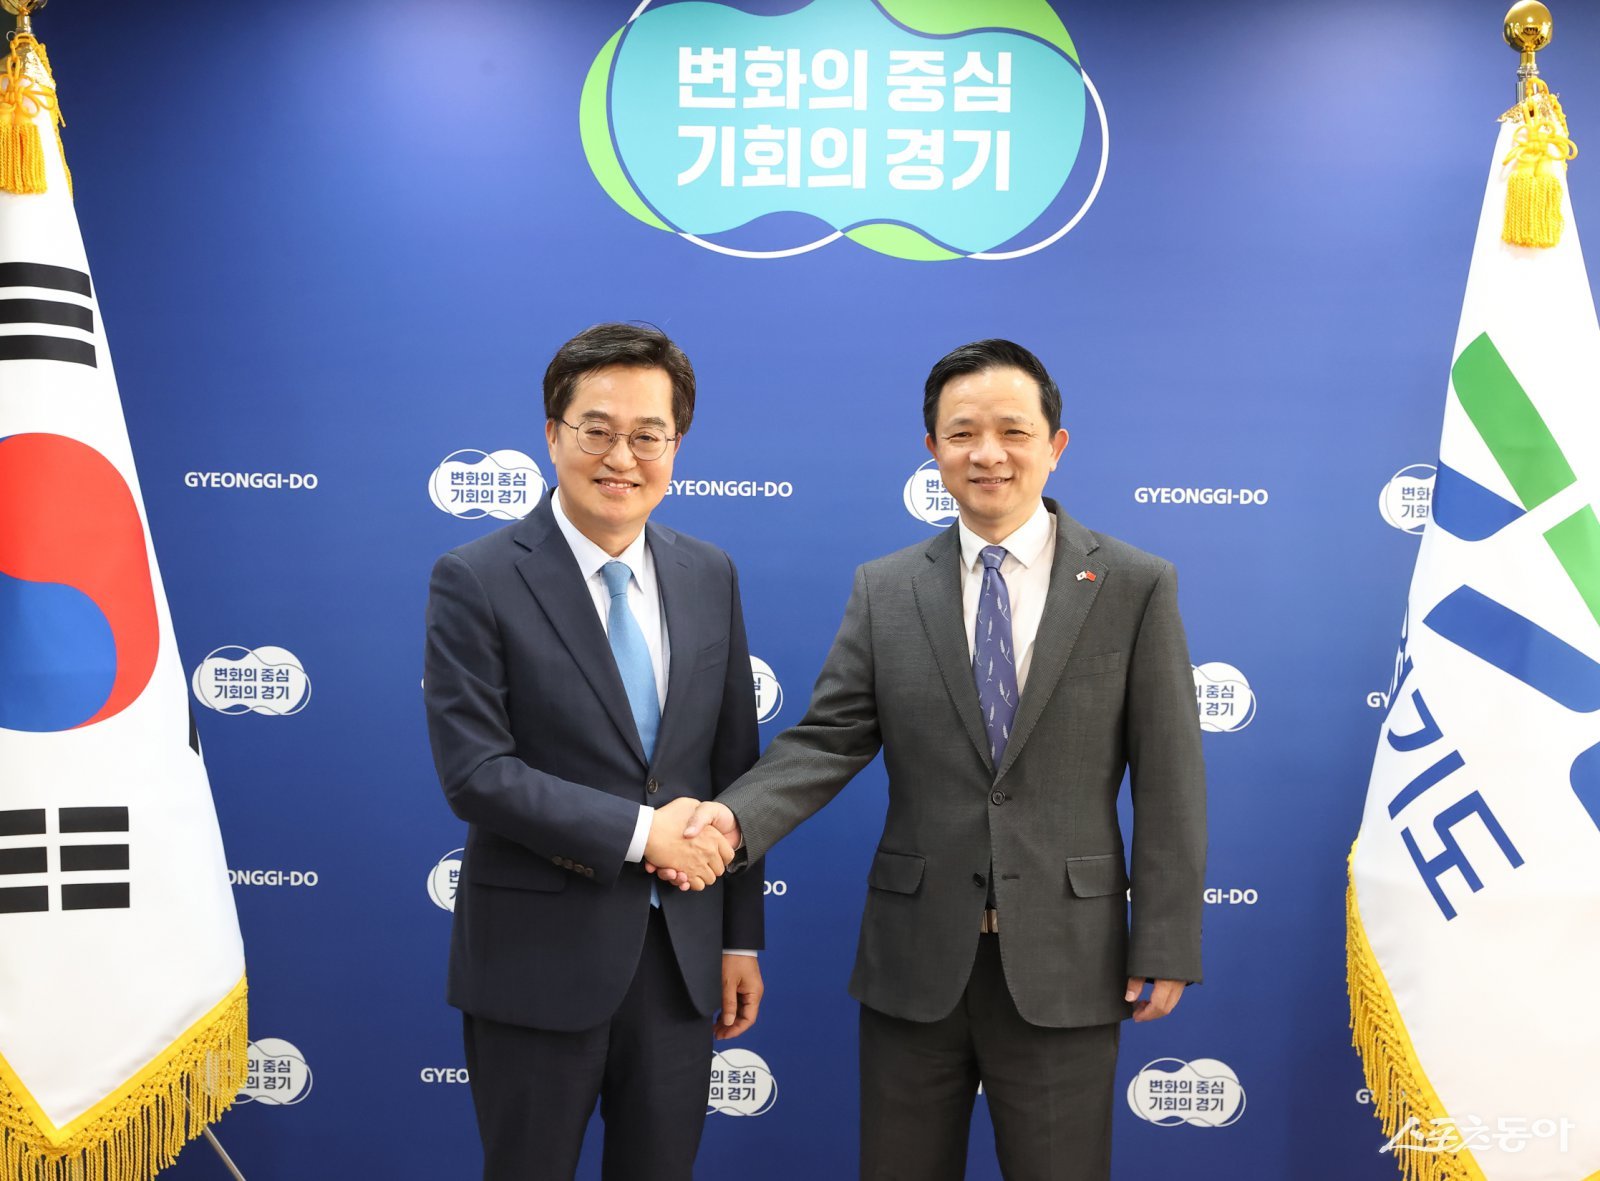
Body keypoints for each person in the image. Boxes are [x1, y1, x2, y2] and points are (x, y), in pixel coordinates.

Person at [660, 339, 1206, 1181]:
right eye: (963, 433)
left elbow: (1170, 776)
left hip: (1067, 958)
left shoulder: (1135, 584)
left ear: (1055, 445)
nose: (989, 453)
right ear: (933, 451)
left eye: (1013, 431)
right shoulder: (886, 588)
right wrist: (731, 820)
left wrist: (1164, 937)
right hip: (914, 960)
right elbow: (827, 739)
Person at [423, 322, 765, 1181]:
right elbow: (476, 772)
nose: (622, 457)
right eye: (597, 430)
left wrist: (740, 940)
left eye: (649, 435)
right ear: (552, 434)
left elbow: (735, 769)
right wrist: (644, 833)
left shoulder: (710, 573)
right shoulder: (476, 576)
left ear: (676, 445)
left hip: (681, 962)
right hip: (535, 961)